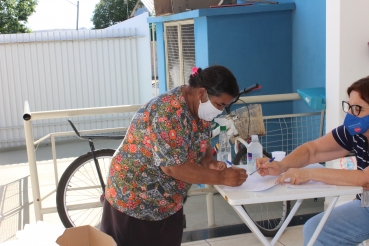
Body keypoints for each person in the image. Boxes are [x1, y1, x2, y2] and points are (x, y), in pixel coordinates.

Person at [100, 65, 248, 246]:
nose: (221, 111)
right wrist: (221, 177)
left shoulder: (200, 110)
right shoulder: (167, 112)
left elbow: (202, 143)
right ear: (202, 93)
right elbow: (173, 167)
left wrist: (210, 163)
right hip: (134, 199)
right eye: (220, 105)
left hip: (167, 202)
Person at [256, 75, 369, 245]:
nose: (351, 114)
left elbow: (365, 179)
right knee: (315, 230)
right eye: (349, 107)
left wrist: (308, 174)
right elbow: (312, 150)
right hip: (366, 206)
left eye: (358, 109)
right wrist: (282, 165)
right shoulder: (355, 132)